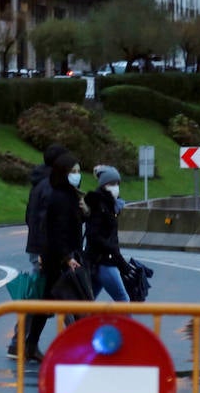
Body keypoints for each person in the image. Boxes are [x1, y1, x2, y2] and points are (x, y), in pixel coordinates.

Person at [22, 150, 85, 361]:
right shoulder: (59, 196)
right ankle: (82, 345)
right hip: (58, 259)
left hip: (58, 257)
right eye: (72, 171)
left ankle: (30, 344)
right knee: (75, 302)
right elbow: (57, 230)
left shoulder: (69, 194)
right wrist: (67, 257)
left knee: (47, 303)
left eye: (78, 171)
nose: (77, 175)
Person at [8, 143, 66, 360]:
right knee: (55, 296)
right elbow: (44, 221)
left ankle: (22, 343)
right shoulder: (49, 186)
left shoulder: (42, 184)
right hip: (46, 251)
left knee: (44, 296)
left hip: (43, 249)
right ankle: (20, 342)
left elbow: (30, 218)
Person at [84, 166, 130, 302]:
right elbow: (97, 236)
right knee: (123, 299)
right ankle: (127, 325)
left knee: (87, 303)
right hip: (104, 262)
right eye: (111, 184)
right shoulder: (100, 206)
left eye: (117, 184)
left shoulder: (109, 205)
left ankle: (78, 323)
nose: (115, 187)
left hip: (96, 262)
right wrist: (119, 259)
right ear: (103, 185)